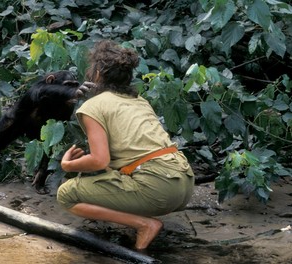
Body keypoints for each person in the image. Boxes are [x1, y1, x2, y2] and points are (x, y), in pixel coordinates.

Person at [56, 40, 195, 250]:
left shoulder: (93, 105)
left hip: (158, 189)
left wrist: (68, 165)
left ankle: (144, 224)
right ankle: (141, 221)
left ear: (98, 73)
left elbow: (99, 160)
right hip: (184, 183)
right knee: (119, 173)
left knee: (66, 194)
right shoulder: (139, 100)